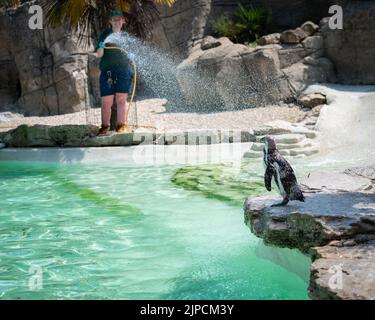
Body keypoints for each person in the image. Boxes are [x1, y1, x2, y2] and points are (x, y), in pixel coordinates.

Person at [94, 10, 134, 135]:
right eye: (114, 19)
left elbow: (131, 54)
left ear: (123, 21)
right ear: (110, 21)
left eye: (119, 19)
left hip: (124, 70)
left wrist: (132, 55)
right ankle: (104, 127)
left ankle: (121, 126)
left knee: (121, 100)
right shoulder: (105, 35)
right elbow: (99, 54)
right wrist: (101, 46)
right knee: (107, 101)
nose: (117, 21)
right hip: (108, 71)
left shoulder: (126, 37)